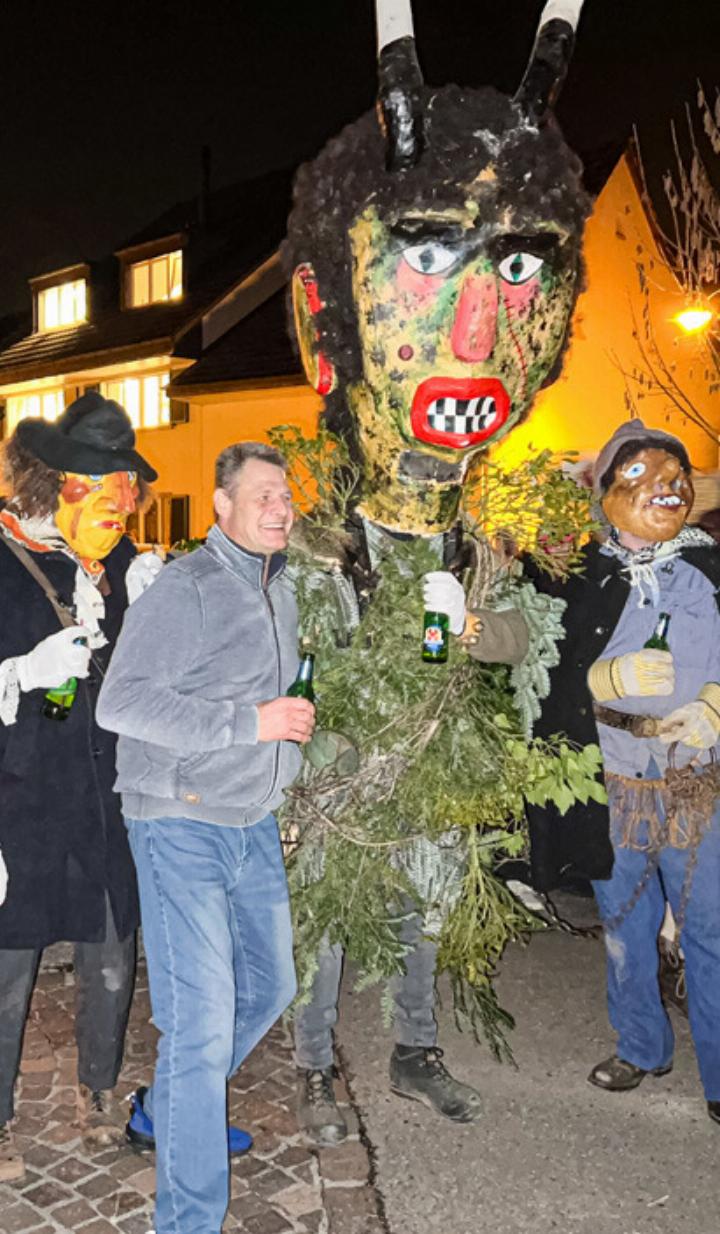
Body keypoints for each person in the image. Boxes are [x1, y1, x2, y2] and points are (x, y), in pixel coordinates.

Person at [281, 0, 592, 1142]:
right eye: (423, 259)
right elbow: (288, 654)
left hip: (437, 763)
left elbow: (519, 642)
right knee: (329, 915)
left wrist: (469, 631)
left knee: (422, 904)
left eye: (514, 268)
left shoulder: (482, 537)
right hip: (341, 768)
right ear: (327, 318)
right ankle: (315, 1064)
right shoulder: (314, 531)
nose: (471, 338)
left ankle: (415, 1051)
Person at [96, 441, 314, 1234]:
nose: (278, 507)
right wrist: (248, 725)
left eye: (284, 495)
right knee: (199, 1018)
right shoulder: (186, 587)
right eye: (260, 495)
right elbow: (119, 704)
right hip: (177, 816)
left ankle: (164, 1108)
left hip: (250, 822)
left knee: (270, 985)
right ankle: (187, 1221)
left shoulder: (279, 590)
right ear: (220, 507)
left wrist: (281, 771)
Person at [526, 418, 720, 1124]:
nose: (665, 487)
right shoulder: (578, 577)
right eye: (639, 474)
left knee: (712, 927)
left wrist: (716, 705)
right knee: (625, 923)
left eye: (676, 475)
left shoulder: (709, 569)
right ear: (604, 492)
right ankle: (641, 1045)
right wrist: (602, 679)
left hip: (701, 782)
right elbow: (543, 668)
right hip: (616, 782)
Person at [0, 391, 160, 1182]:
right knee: (6, 966)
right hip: (17, 800)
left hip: (105, 796)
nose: (113, 508)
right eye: (94, 485)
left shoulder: (124, 566)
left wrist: (164, 615)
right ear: (50, 480)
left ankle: (98, 1089)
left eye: (121, 490)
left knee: (110, 951)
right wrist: (22, 673)